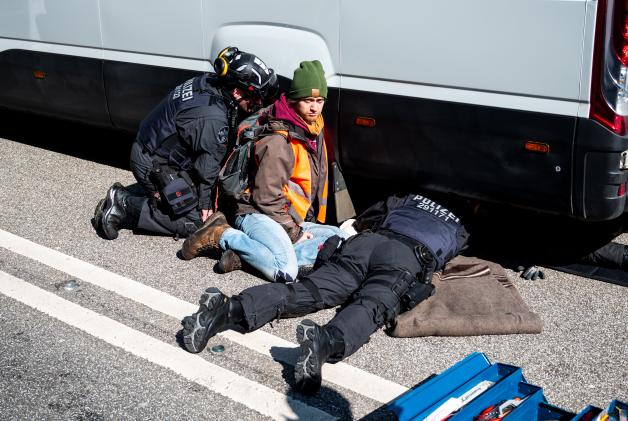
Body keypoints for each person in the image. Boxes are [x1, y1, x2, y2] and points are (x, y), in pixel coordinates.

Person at [180, 193, 469, 394]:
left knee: (309, 290)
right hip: (404, 257)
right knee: (371, 305)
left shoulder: (407, 199)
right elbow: (442, 260)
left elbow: (366, 218)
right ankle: (324, 341)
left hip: (367, 243)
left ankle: (228, 308)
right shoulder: (459, 228)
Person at [180, 60, 347, 282]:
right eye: (308, 100)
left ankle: (248, 256)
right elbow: (266, 199)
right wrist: (295, 234)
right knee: (286, 270)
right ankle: (222, 234)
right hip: (255, 212)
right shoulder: (278, 141)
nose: (315, 107)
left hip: (285, 214)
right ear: (295, 100)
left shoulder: (311, 126)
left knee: (341, 238)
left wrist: (299, 225)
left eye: (319, 100)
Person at [92, 47, 278, 240]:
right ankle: (123, 205)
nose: (258, 102)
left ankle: (156, 196)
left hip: (152, 149)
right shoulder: (213, 118)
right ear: (238, 92)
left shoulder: (208, 83)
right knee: (196, 222)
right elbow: (208, 167)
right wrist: (205, 204)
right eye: (256, 97)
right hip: (153, 165)